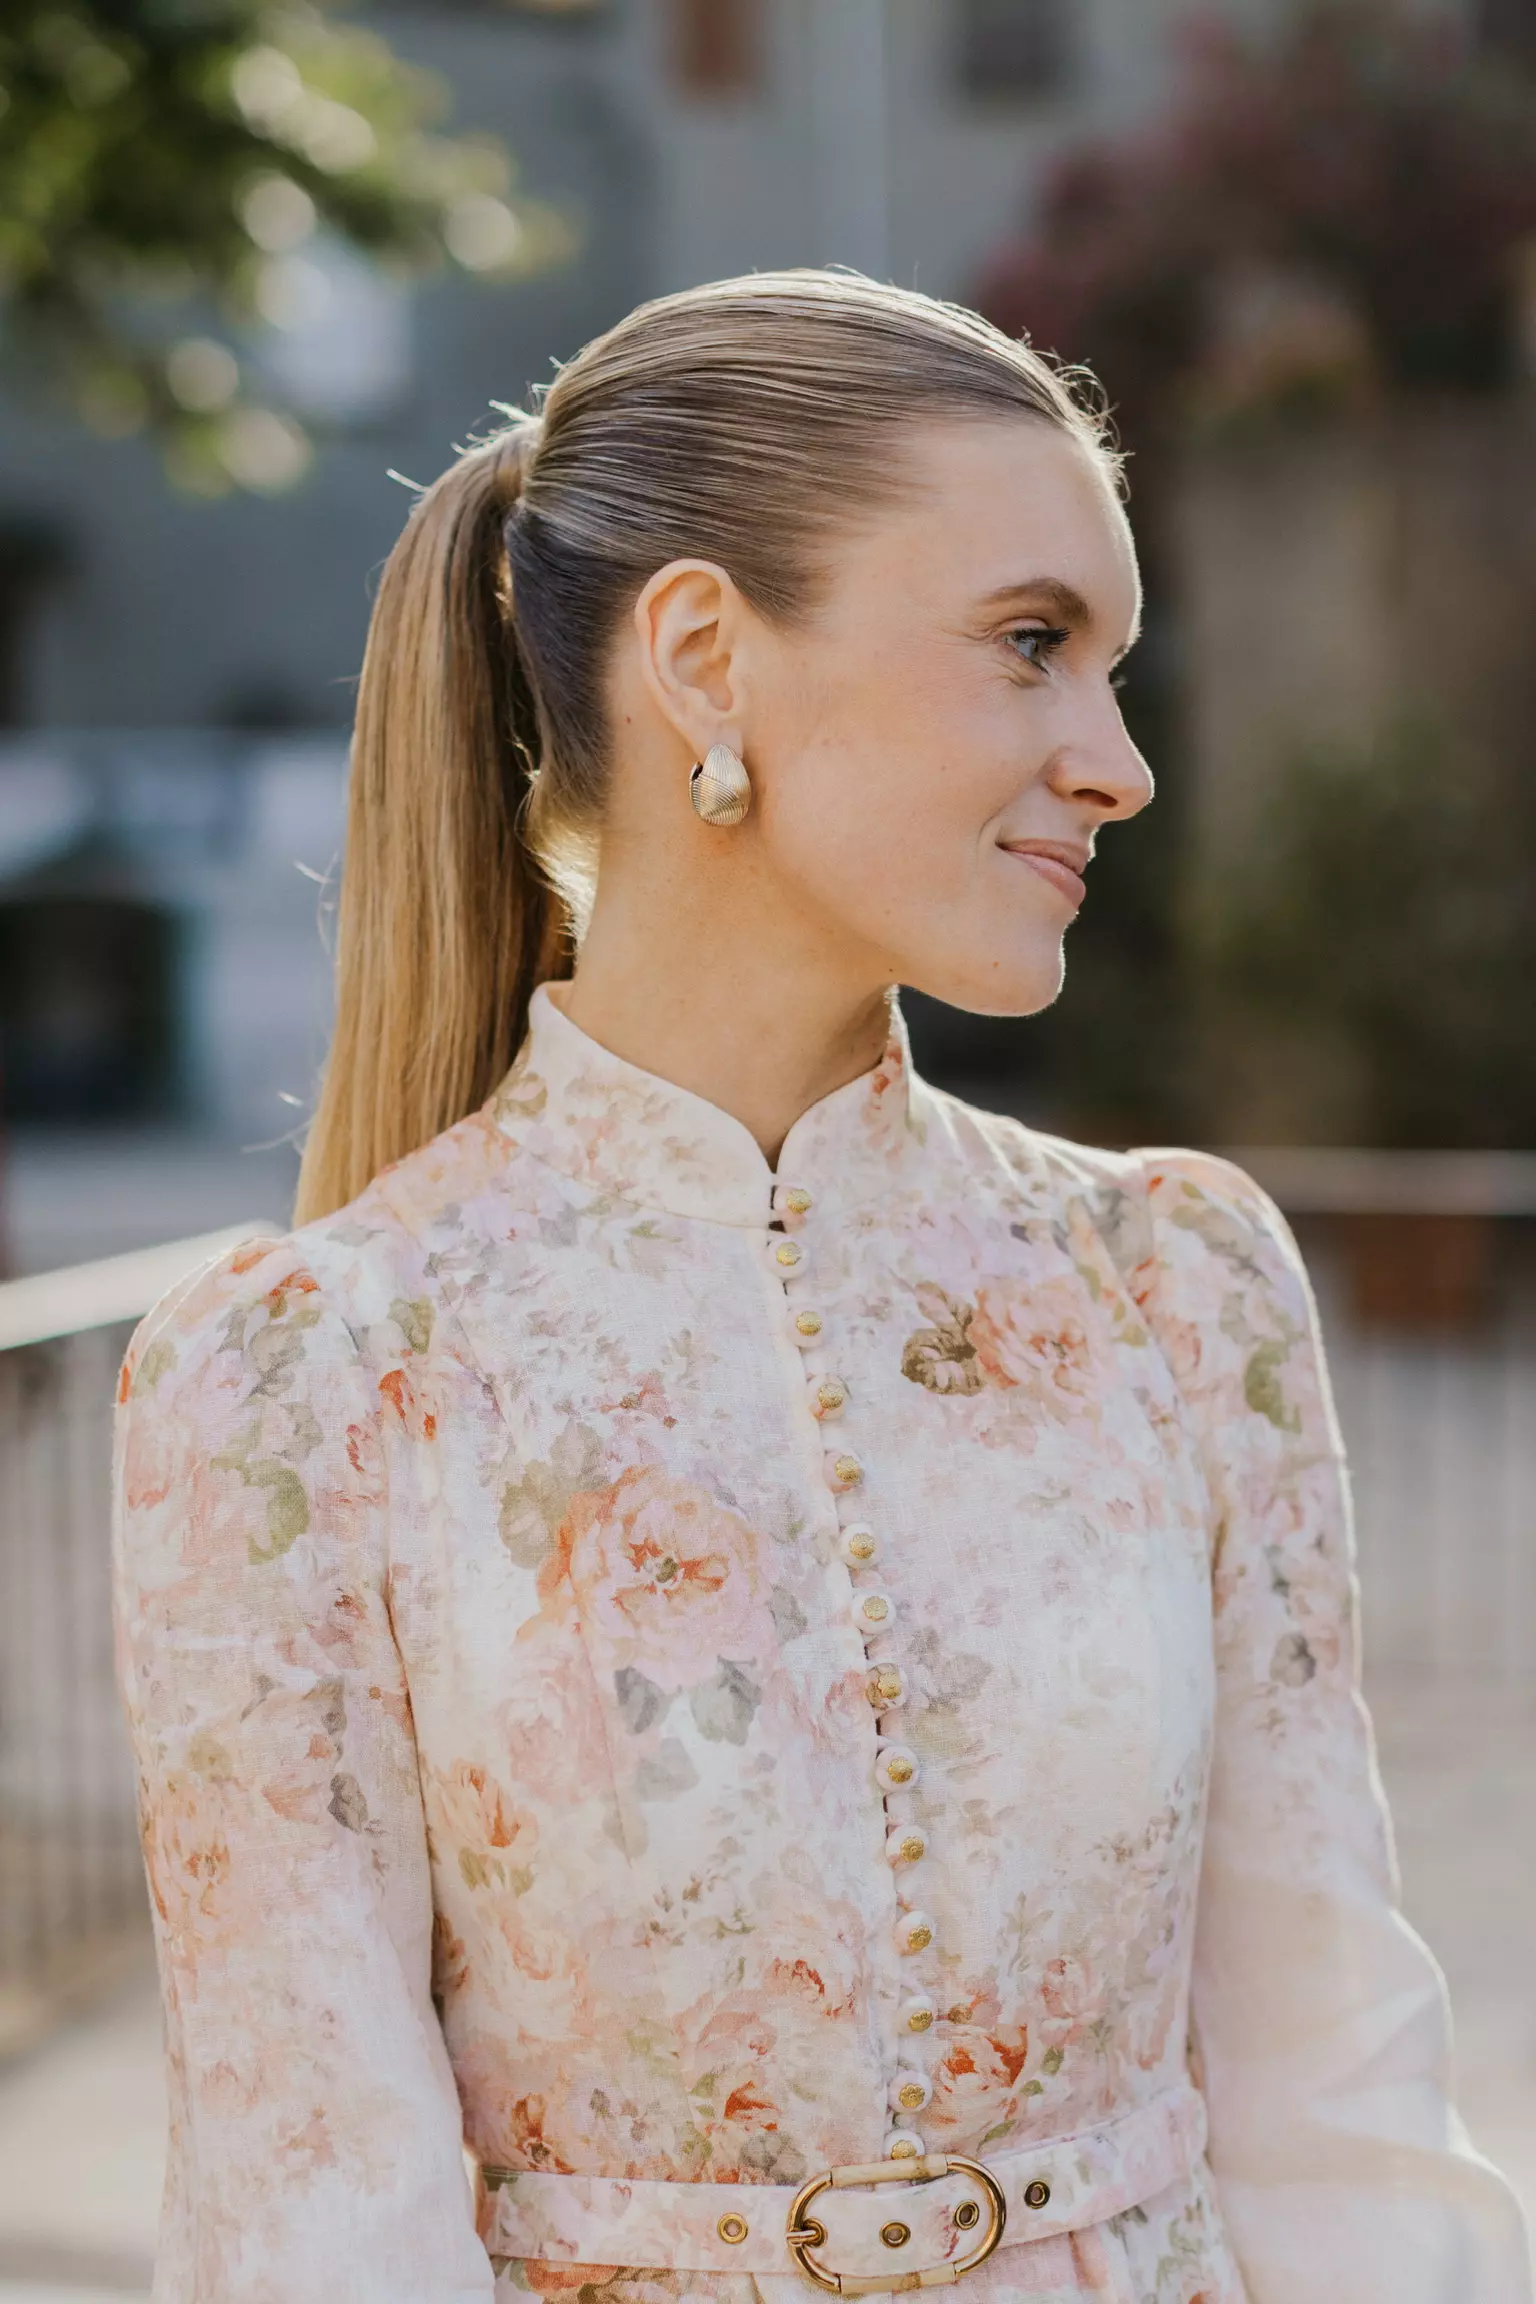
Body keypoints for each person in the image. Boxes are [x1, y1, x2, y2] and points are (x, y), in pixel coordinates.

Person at [112, 271, 1529, 2304]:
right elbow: (307, 2212)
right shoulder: (306, 1377)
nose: (1119, 763)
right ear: (706, 658)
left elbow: (1338, 2095)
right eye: (1032, 644)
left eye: (1113, 668)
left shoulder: (1175, 1289)